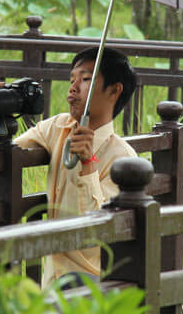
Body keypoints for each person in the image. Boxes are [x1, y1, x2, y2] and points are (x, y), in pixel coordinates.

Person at [8, 47, 137, 289]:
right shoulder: (58, 127)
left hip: (93, 282)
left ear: (114, 90)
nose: (73, 87)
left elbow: (96, 234)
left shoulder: (122, 158)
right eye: (71, 79)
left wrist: (88, 166)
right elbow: (6, 152)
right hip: (52, 280)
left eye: (86, 79)